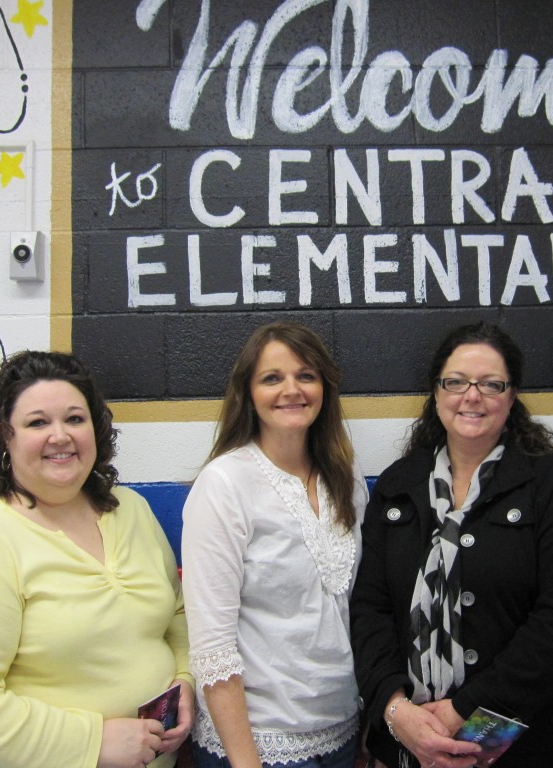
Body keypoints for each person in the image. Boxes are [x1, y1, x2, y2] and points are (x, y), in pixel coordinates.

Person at [0, 350, 194, 768]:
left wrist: (185, 679)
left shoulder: (131, 510)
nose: (60, 435)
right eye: (37, 423)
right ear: (6, 436)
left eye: (75, 419)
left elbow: (176, 614)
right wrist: (90, 743)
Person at [350, 321, 553, 768]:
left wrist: (462, 715)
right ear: (436, 393)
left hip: (526, 744)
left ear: (512, 397)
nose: (472, 396)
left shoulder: (551, 485)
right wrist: (396, 712)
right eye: (456, 382)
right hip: (408, 743)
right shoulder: (398, 486)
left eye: (491, 384)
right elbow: (369, 609)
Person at [181, 321, 368, 768]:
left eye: (306, 375)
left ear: (324, 387)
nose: (291, 390)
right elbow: (212, 648)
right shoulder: (224, 484)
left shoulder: (346, 477)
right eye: (272, 378)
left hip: (341, 729)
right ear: (248, 393)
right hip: (259, 741)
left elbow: (352, 608)